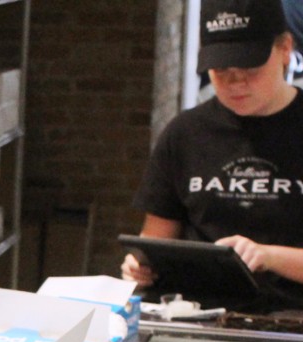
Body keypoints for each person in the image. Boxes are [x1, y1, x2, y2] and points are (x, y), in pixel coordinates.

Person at [121, 0, 303, 312]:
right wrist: (138, 268)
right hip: (195, 314)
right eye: (221, 71)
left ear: (285, 49)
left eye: (249, 68)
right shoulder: (184, 134)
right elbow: (155, 241)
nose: (236, 83)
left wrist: (269, 256)